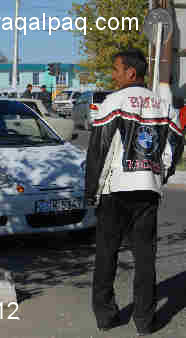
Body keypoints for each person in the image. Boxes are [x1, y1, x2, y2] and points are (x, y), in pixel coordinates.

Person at [85, 48, 184, 335]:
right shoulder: (163, 105)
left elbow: (98, 151)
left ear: (131, 72)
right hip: (147, 191)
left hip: (115, 190)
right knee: (145, 257)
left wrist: (91, 191)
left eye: (115, 70)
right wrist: (160, 174)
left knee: (106, 255)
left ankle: (105, 316)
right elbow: (175, 144)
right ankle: (145, 320)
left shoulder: (113, 102)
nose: (112, 75)